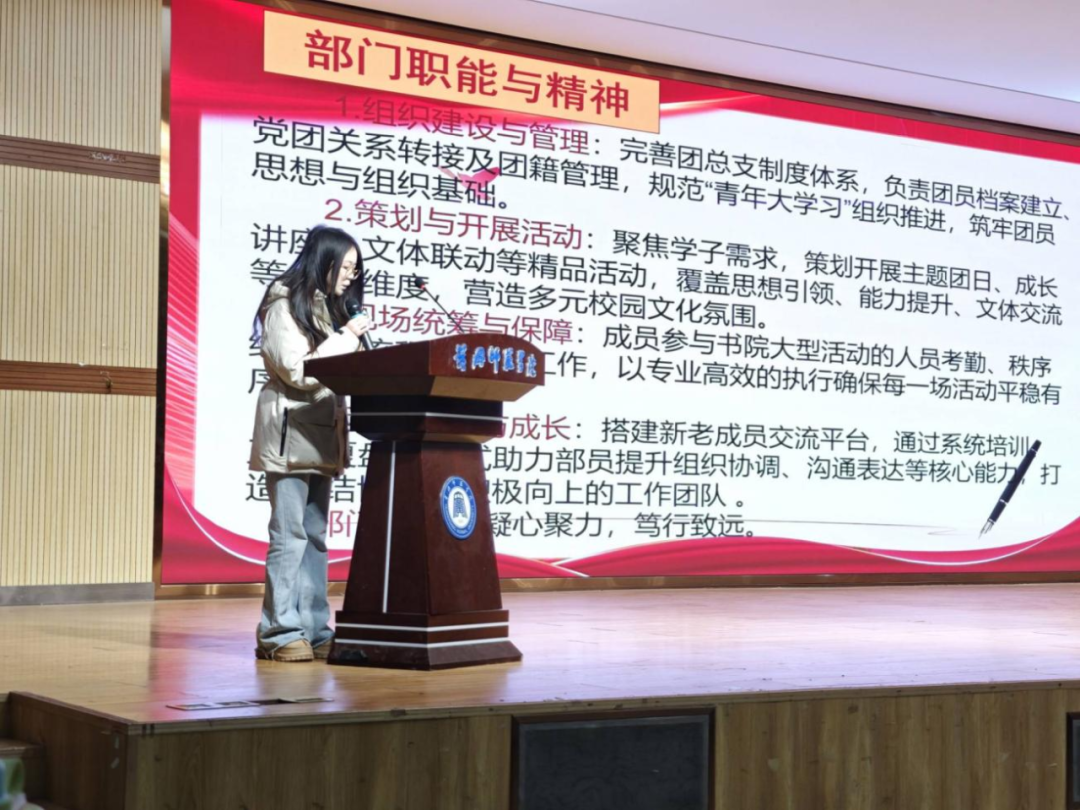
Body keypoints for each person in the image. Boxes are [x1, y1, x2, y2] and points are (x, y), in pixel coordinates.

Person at [249, 225, 371, 662]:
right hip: (290, 433)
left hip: (321, 437)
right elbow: (298, 370)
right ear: (325, 261)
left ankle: (315, 629)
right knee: (289, 536)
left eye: (355, 270)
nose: (351, 277)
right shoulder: (284, 303)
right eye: (346, 267)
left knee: (315, 538)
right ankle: (279, 632)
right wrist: (349, 337)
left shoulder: (328, 312)